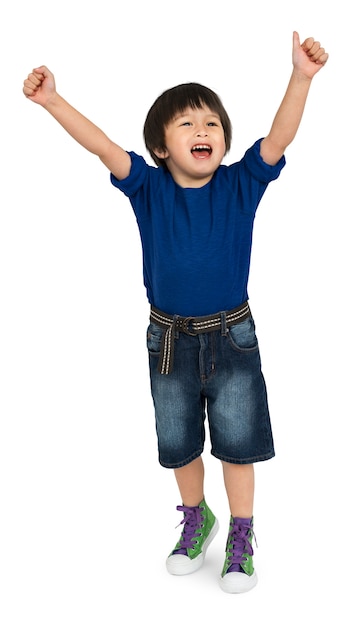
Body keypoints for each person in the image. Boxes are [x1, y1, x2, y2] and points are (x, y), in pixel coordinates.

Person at [23, 31, 328, 594]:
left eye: (211, 122)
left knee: (238, 441)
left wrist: (301, 78)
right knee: (179, 441)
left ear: (224, 141)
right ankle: (197, 519)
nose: (202, 130)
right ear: (162, 147)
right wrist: (53, 102)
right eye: (187, 124)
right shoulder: (147, 188)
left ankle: (241, 532)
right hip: (167, 340)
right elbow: (102, 145)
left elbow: (279, 138)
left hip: (233, 337)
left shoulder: (241, 185)